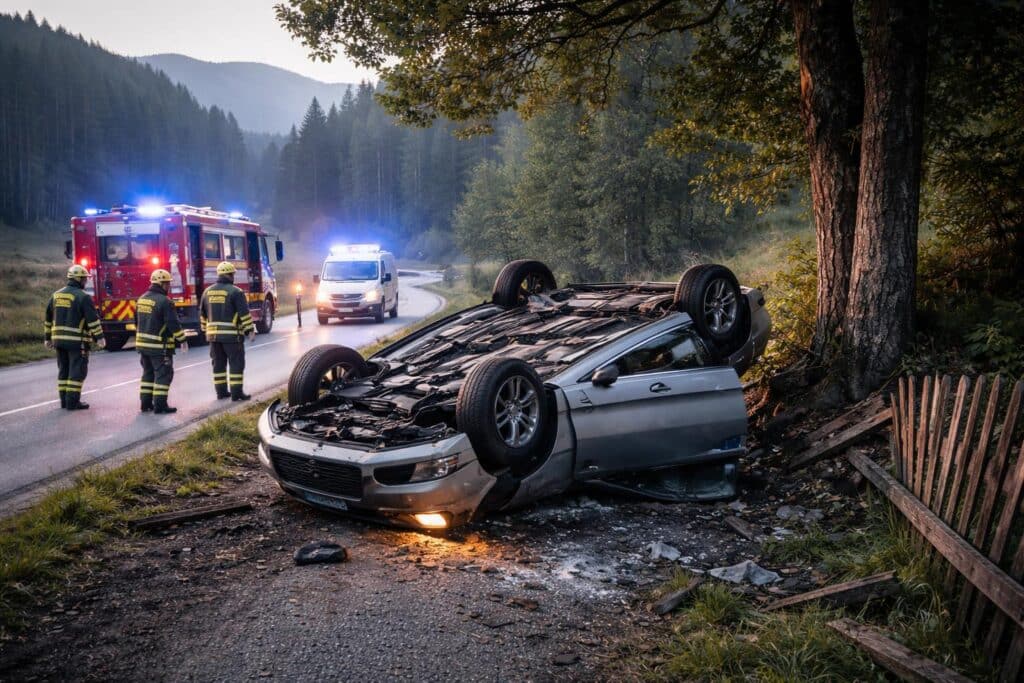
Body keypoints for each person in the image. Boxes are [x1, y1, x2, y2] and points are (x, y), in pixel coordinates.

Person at [44, 264, 105, 410]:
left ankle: (64, 401)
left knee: (63, 370)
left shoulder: (56, 295)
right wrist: (100, 337)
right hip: (77, 342)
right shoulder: (83, 297)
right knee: (77, 371)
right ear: (79, 279)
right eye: (84, 279)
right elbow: (92, 320)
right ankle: (73, 402)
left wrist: (47, 337)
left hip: (58, 341)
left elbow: (48, 318)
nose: (86, 282)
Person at [200, 261, 256, 401]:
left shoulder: (207, 291)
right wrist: (250, 330)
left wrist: (204, 330)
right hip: (232, 337)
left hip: (213, 337)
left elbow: (202, 314)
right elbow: (244, 313)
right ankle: (237, 393)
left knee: (218, 365)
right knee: (236, 364)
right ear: (231, 275)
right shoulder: (236, 292)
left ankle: (221, 392)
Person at [135, 269, 188, 414]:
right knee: (163, 375)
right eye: (168, 284)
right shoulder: (165, 301)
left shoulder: (142, 299)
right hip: (159, 347)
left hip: (142, 345)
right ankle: (160, 406)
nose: (169, 286)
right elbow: (173, 323)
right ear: (162, 284)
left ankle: (145, 404)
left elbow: (136, 322)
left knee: (148, 374)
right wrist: (182, 339)